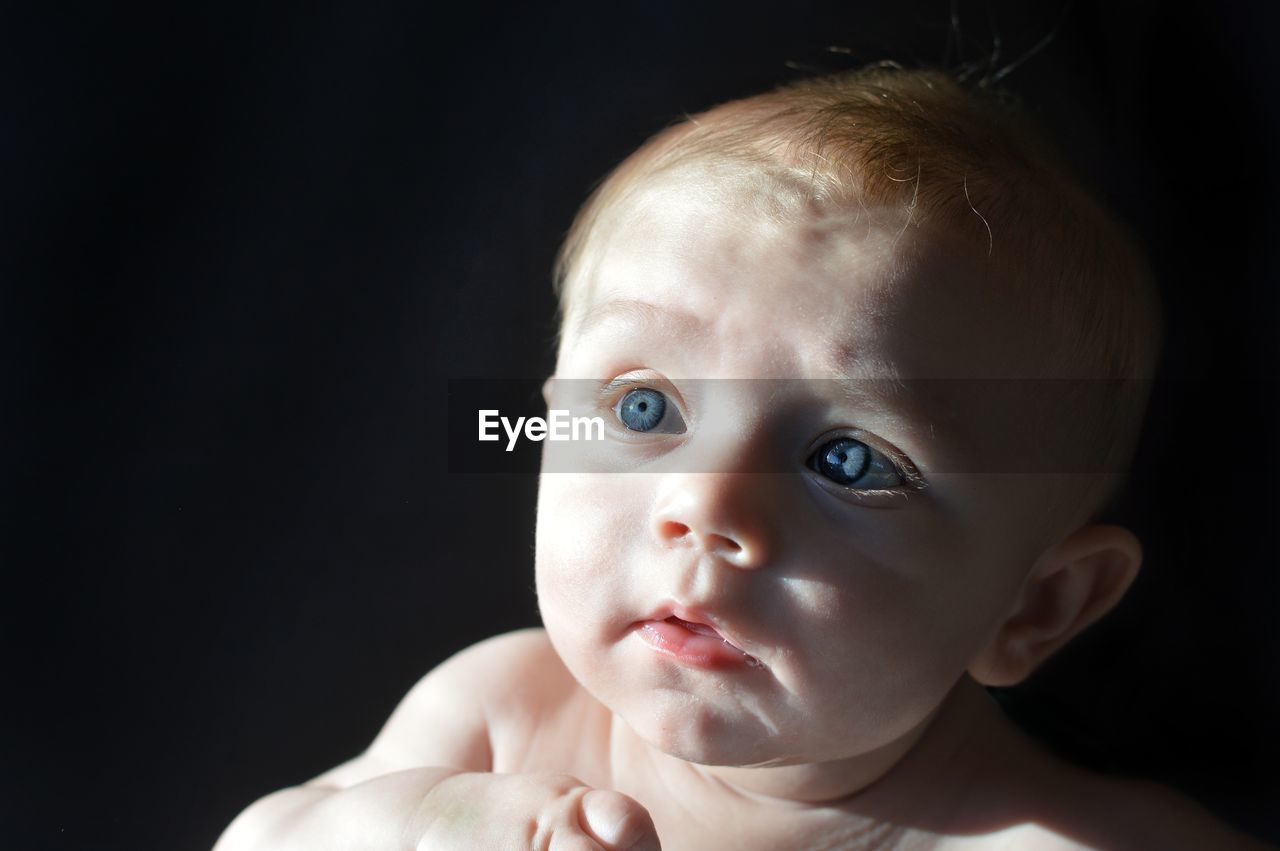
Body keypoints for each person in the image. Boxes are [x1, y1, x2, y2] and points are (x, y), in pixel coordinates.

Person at [215, 66, 1273, 850]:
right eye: (640, 406)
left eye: (848, 460)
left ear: (1034, 604)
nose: (704, 505)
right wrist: (427, 824)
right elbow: (258, 838)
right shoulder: (504, 716)